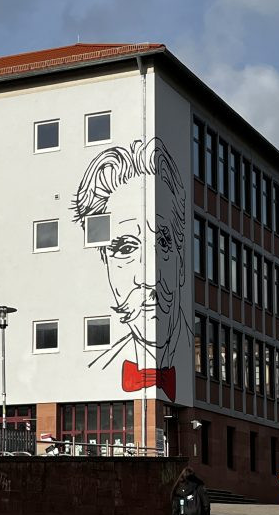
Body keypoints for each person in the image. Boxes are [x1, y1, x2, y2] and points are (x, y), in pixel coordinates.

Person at [73, 138, 191, 402]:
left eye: (162, 242)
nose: (148, 279)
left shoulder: (197, 363)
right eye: (126, 249)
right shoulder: (98, 368)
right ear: (105, 265)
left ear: (181, 262)